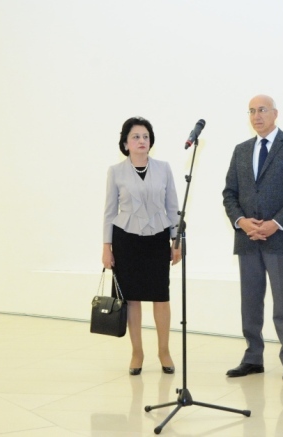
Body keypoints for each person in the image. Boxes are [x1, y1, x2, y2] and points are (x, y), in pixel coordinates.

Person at [222, 95, 283, 381]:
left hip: (281, 239)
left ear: (275, 113)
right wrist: (242, 221)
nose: (256, 115)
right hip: (247, 238)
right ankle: (253, 358)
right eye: (251, 111)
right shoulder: (241, 150)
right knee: (250, 301)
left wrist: (275, 223)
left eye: (262, 110)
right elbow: (229, 194)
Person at [102, 116, 181, 376]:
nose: (141, 141)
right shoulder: (116, 171)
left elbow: (172, 208)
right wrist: (107, 247)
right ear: (125, 143)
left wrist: (177, 240)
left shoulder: (163, 168)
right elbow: (109, 212)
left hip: (158, 238)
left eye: (145, 137)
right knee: (132, 298)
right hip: (127, 240)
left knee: (161, 296)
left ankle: (164, 350)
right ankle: (137, 352)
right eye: (135, 137)